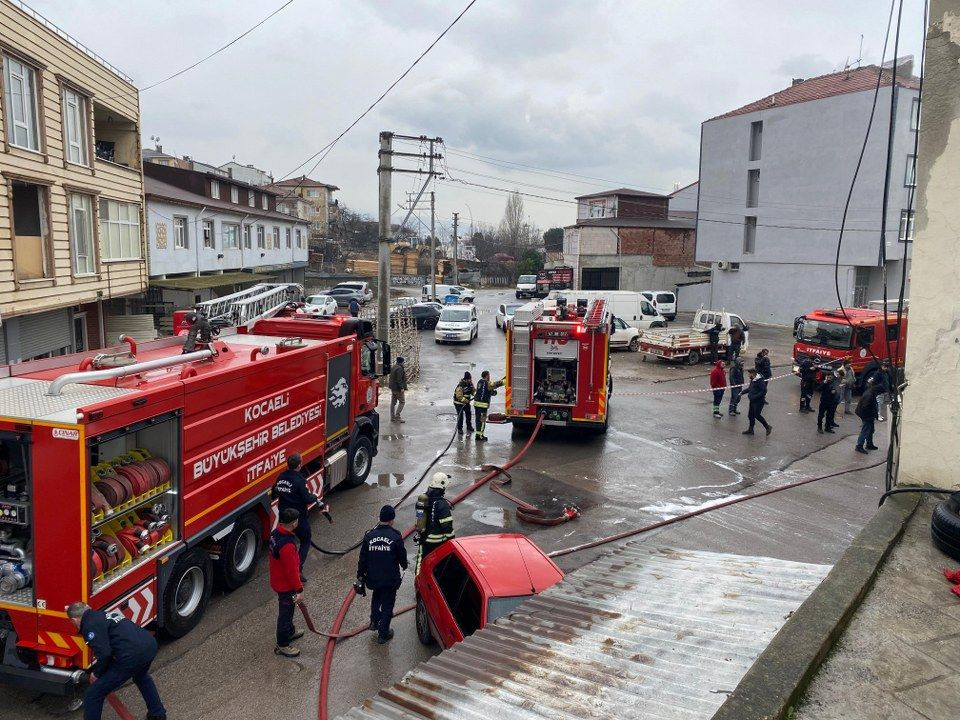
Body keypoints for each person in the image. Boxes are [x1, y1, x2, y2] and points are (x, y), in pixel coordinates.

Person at [67, 601, 166, 720]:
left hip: (131, 656)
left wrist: (97, 673)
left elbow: (105, 653)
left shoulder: (89, 625)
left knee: (93, 694)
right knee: (141, 676)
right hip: (149, 645)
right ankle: (158, 714)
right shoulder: (103, 615)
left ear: (74, 620)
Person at [357, 505, 408, 644]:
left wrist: (360, 576)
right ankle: (383, 633)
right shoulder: (396, 536)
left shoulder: (369, 536)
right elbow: (402, 556)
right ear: (392, 520)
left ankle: (374, 621)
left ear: (380, 519)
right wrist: (404, 565)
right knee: (388, 604)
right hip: (390, 579)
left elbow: (363, 559)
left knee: (376, 597)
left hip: (373, 578)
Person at [272, 453, 317, 576]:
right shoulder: (299, 480)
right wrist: (315, 497)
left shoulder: (280, 477)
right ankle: (298, 569)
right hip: (298, 519)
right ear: (299, 465)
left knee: (286, 542)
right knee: (306, 540)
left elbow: (274, 492)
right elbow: (307, 498)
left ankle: (284, 565)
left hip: (283, 517)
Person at [269, 508, 305, 658]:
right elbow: (291, 571)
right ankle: (283, 644)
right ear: (294, 522)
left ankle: (290, 631)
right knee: (286, 613)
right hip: (286, 585)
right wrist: (299, 590)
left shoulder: (275, 534)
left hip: (278, 580)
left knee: (288, 610)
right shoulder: (287, 545)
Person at [415, 472, 454, 574]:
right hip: (438, 542)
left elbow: (419, 517)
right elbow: (447, 527)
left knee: (421, 561)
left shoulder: (424, 499)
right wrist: (452, 541)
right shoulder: (442, 504)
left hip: (424, 538)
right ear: (443, 486)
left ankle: (418, 580)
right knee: (438, 564)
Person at [473, 370, 504, 442]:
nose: (489, 377)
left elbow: (486, 391)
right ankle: (480, 436)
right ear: (487, 375)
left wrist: (492, 392)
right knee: (482, 421)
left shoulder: (479, 382)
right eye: (489, 375)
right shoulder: (487, 383)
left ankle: (478, 434)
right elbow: (495, 385)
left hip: (476, 404)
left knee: (478, 420)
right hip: (482, 405)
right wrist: (504, 381)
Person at [742, 367, 772, 436]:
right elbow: (750, 388)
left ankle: (768, 427)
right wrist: (742, 392)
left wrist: (755, 397)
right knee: (750, 415)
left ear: (752, 374)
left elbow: (764, 390)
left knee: (757, 415)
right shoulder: (753, 380)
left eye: (748, 374)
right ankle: (751, 430)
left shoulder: (759, 380)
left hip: (759, 401)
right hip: (752, 401)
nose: (748, 375)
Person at [855, 379, 881, 454]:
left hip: (868, 415)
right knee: (865, 430)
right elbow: (865, 407)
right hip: (867, 416)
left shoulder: (870, 392)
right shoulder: (870, 394)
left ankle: (869, 444)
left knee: (870, 430)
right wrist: (868, 417)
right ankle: (859, 446)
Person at [389, 356, 408, 423]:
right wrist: (402, 388)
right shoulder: (400, 369)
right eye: (403, 362)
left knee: (393, 403)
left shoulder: (394, 367)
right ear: (402, 362)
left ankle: (392, 417)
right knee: (402, 402)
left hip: (393, 388)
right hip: (398, 389)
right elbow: (399, 379)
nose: (404, 363)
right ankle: (397, 417)